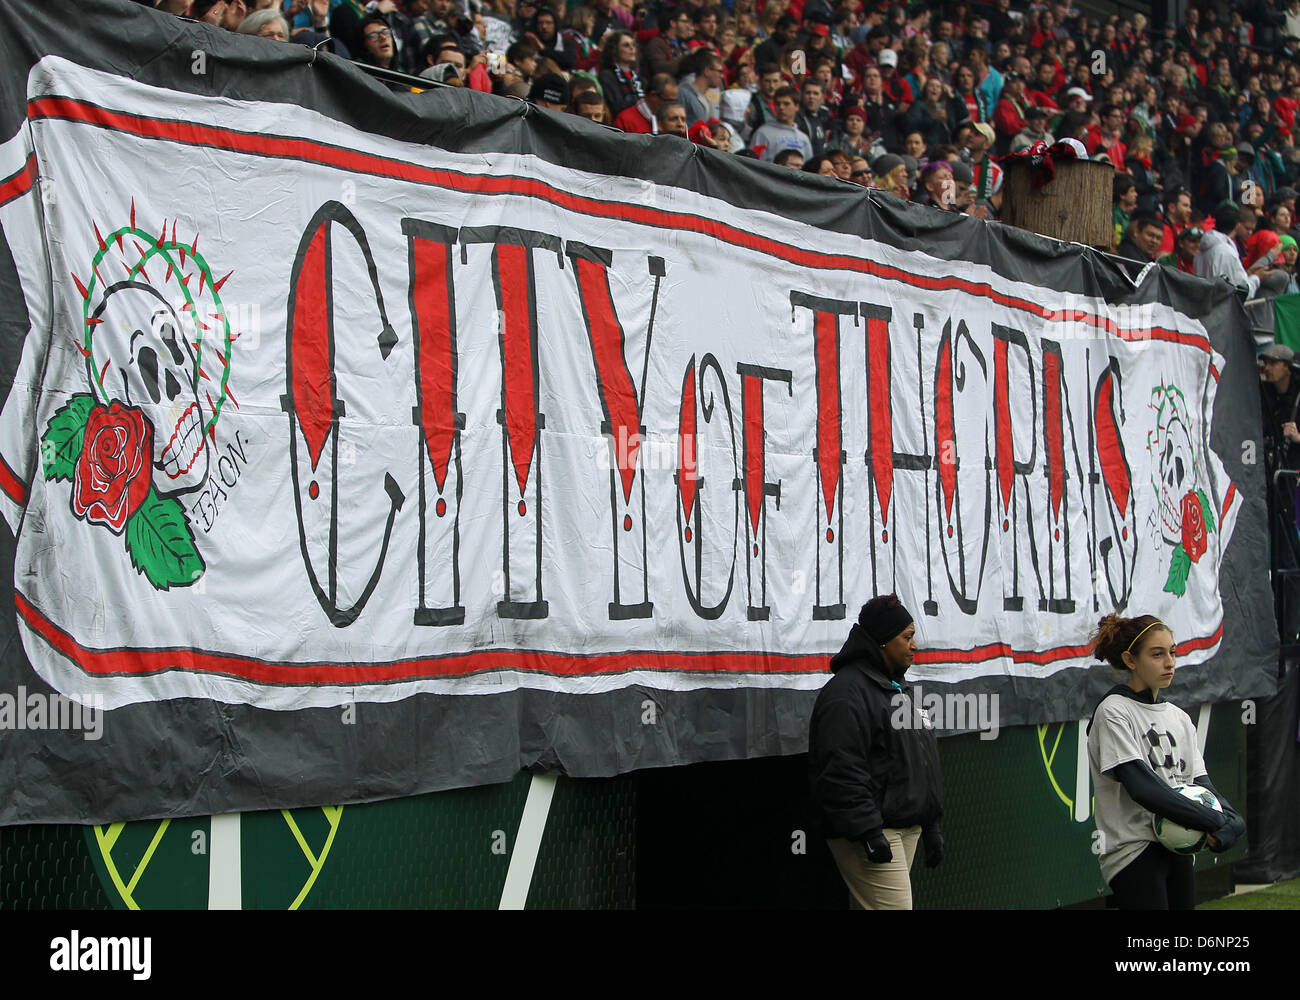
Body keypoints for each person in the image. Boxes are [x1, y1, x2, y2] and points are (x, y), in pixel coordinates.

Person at [1086, 614, 1245, 910]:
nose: (1169, 662)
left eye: (1172, 652)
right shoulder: (1114, 711)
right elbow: (1142, 787)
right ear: (1130, 660)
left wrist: (1233, 818)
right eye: (1157, 654)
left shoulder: (1179, 717)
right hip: (1132, 852)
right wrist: (1213, 821)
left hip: (1178, 846)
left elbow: (1200, 784)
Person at [808, 595, 944, 910]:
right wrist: (868, 832)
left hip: (904, 827)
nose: (914, 646)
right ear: (882, 642)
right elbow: (841, 771)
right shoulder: (846, 694)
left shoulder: (900, 689)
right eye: (906, 638)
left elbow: (924, 762)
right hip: (872, 830)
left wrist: (931, 823)